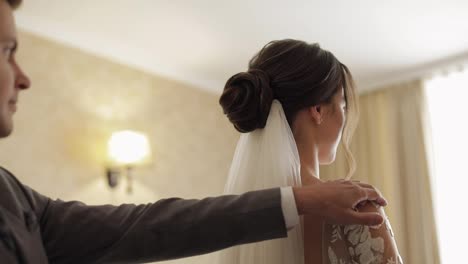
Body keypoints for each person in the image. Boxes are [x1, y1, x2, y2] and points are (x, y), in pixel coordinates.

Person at [0, 1, 388, 263]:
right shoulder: (358, 209)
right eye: (6, 52)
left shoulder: (18, 201)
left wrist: (298, 201)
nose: (24, 78)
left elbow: (150, 225)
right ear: (317, 109)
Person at [218, 39, 403, 263]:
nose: (345, 118)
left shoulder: (242, 219)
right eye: (343, 105)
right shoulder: (357, 207)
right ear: (317, 110)